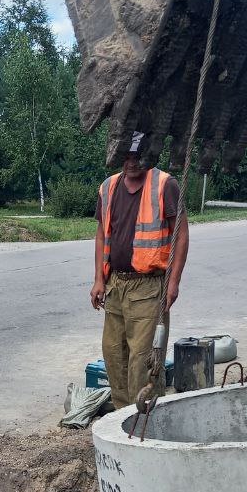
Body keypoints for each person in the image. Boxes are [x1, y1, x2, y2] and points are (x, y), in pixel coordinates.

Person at [90, 132, 189, 409]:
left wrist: (174, 282)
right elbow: (101, 234)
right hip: (116, 285)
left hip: (149, 286)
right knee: (114, 355)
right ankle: (122, 419)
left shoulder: (164, 184)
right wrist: (99, 279)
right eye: (127, 156)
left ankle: (146, 418)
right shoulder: (108, 187)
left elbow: (180, 234)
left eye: (138, 157)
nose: (132, 162)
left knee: (143, 360)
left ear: (149, 156)